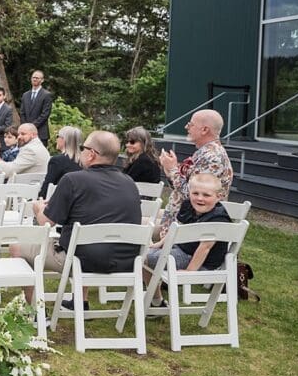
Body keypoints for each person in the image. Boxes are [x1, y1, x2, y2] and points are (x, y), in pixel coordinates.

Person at [19, 131, 142, 307]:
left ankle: (36, 313)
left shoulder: (72, 180)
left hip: (81, 261)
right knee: (84, 234)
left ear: (92, 154)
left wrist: (38, 208)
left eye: (83, 148)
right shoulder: (130, 182)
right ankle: (80, 301)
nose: (81, 151)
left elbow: (45, 223)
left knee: (17, 248)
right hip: (126, 260)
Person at [145, 173, 232, 301]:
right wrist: (160, 243)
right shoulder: (188, 205)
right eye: (195, 193)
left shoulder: (218, 218)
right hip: (183, 249)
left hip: (200, 261)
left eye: (206, 195)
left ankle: (155, 299)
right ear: (189, 192)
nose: (200, 198)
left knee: (144, 258)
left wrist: (189, 271)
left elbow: (205, 248)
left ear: (218, 197)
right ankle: (153, 293)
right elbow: (177, 228)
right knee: (144, 252)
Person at [157, 109, 233, 236]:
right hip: (178, 223)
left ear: (204, 130)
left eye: (191, 124)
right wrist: (169, 170)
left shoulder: (212, 157)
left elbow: (193, 196)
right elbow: (182, 188)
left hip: (188, 232)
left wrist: (173, 169)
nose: (186, 127)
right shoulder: (204, 152)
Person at [40, 126, 83, 198]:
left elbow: (47, 188)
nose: (56, 139)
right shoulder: (85, 161)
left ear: (64, 139)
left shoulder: (57, 161)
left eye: (58, 136)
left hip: (61, 201)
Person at [20, 70, 53, 147]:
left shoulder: (46, 95)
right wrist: (25, 127)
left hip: (40, 133)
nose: (34, 79)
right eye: (33, 77)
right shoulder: (25, 95)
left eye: (37, 78)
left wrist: (31, 127)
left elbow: (45, 114)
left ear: (42, 80)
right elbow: (22, 113)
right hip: (26, 134)